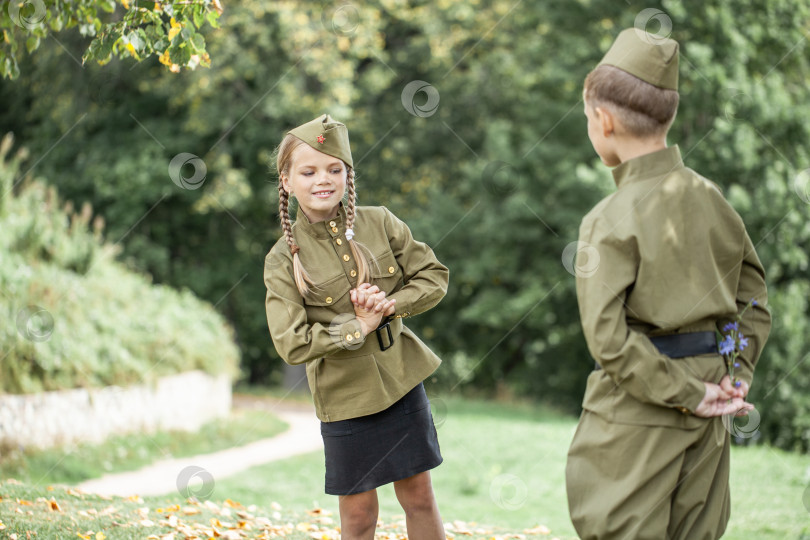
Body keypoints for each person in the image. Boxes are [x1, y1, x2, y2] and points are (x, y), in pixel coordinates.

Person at [565, 28, 771, 539]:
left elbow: (609, 342)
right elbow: (751, 305)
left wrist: (687, 392)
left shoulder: (606, 219)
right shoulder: (713, 199)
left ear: (603, 120)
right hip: (714, 406)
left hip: (639, 416)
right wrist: (735, 372)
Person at [263, 114, 448, 539]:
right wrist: (357, 328)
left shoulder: (380, 221)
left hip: (401, 382)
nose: (322, 180)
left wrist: (389, 305)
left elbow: (434, 277)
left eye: (334, 169)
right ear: (287, 181)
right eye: (308, 171)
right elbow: (291, 343)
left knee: (420, 496)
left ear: (348, 174)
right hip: (344, 398)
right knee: (360, 515)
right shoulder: (280, 260)